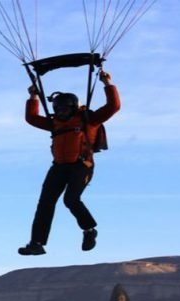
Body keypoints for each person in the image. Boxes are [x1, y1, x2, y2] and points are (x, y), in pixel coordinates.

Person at [18, 70, 120, 255]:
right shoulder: (55, 123)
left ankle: (89, 230)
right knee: (45, 203)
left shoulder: (89, 120)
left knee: (70, 199)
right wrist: (33, 96)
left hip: (81, 165)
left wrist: (107, 84)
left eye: (64, 109)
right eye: (57, 110)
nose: (60, 113)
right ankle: (37, 243)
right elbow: (31, 118)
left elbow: (113, 106)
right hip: (58, 167)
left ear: (73, 107)